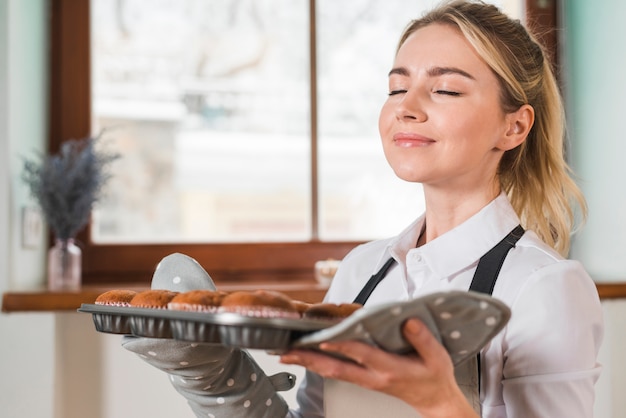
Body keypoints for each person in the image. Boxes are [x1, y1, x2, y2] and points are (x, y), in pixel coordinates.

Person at [122, 1, 603, 417]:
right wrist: (214, 376)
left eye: (447, 89)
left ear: (513, 128)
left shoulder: (543, 288)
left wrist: (440, 403)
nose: (406, 107)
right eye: (397, 88)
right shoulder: (362, 270)